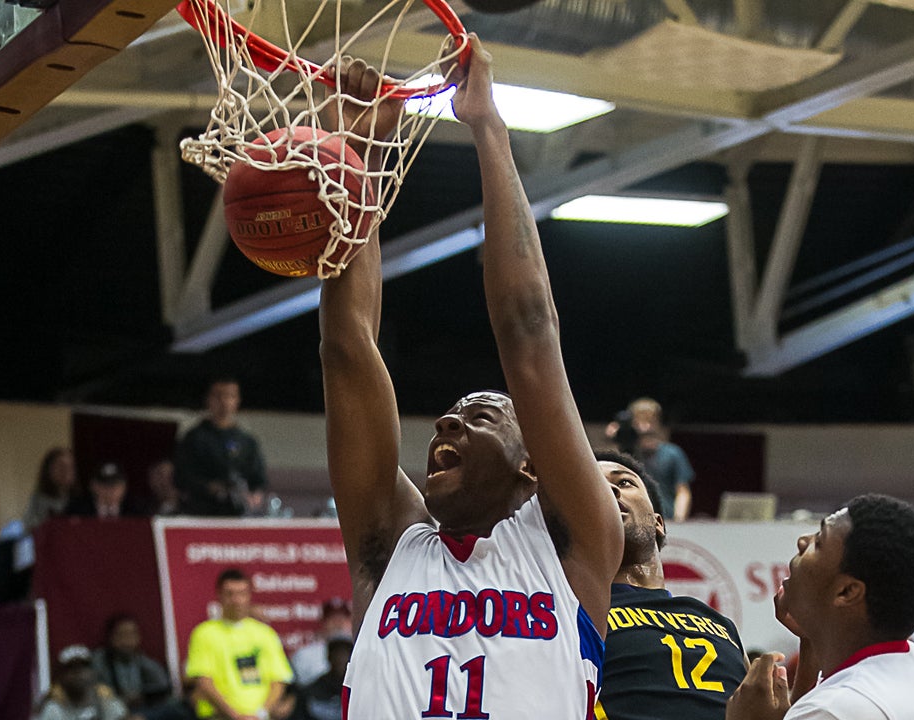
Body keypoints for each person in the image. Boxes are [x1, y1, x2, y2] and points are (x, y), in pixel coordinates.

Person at [318, 40, 623, 719]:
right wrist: (361, 158)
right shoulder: (391, 544)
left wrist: (486, 126)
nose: (448, 424)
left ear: (532, 467)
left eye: (481, 417)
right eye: (451, 417)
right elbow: (347, 348)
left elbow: (529, 332)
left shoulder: (570, 543)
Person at [726, 493, 914, 720]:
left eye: (819, 542)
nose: (802, 542)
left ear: (847, 592)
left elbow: (825, 708)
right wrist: (813, 638)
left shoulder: (833, 709)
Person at [594, 450, 748, 719]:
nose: (608, 488)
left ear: (658, 523)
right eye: (592, 482)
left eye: (624, 482)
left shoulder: (722, 625)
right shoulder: (569, 614)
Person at [184, 568, 291, 720]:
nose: (236, 600)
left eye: (242, 593)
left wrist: (260, 714)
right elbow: (204, 682)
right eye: (230, 594)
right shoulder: (204, 633)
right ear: (219, 596)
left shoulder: (265, 633)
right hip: (218, 716)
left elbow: (278, 681)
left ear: (249, 596)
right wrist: (234, 716)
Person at [174, 378, 268, 516]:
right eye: (218, 395)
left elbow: (258, 478)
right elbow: (182, 476)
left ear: (237, 401)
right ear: (208, 399)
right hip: (202, 511)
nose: (224, 401)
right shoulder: (195, 438)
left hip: (239, 513)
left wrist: (253, 496)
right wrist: (211, 487)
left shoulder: (247, 441)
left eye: (230, 396)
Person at [605, 398, 695, 521]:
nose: (644, 426)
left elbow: (682, 491)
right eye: (639, 421)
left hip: (665, 518)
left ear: (658, 422)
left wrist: (678, 519)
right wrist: (613, 439)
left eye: (650, 420)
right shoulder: (625, 454)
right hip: (633, 520)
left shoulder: (672, 453)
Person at [92, 614, 173, 713]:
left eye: (132, 635)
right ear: (110, 637)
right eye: (121, 635)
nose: (127, 641)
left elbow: (162, 688)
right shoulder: (98, 661)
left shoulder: (146, 663)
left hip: (142, 712)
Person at [36, 645, 128, 720]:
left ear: (93, 673)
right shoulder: (53, 708)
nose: (78, 673)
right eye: (71, 668)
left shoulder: (107, 702)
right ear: (61, 676)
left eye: (83, 667)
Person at [287, 597, 353, 687]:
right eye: (332, 619)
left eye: (342, 618)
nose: (338, 623)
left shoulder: (359, 653)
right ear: (323, 622)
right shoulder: (304, 655)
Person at [289, 637, 353, 720]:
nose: (340, 658)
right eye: (336, 653)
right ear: (329, 656)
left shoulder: (359, 690)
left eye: (345, 654)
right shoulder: (311, 691)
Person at [24, 447, 77, 530]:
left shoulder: (81, 498)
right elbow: (29, 525)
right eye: (61, 466)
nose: (66, 471)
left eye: (70, 467)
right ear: (49, 470)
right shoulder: (38, 498)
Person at [65, 462, 141, 519]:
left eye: (115, 485)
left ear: (124, 487)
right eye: (104, 484)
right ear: (93, 485)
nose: (110, 490)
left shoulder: (136, 512)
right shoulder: (77, 511)